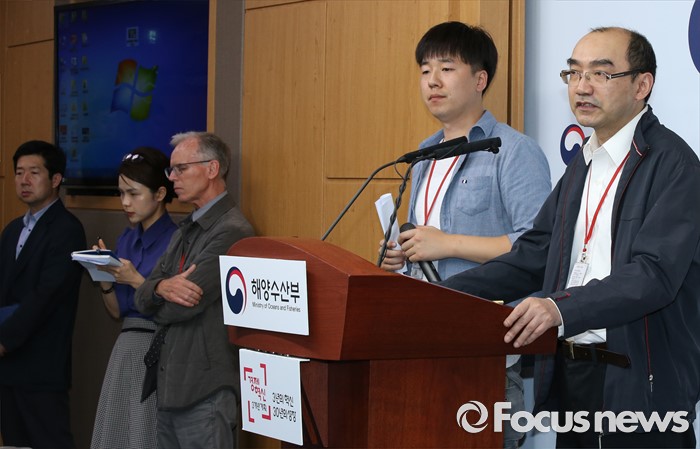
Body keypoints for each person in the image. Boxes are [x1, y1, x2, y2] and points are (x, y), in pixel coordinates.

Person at [441, 27, 700, 448]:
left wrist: (558, 307)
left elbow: (652, 275)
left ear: (642, 85)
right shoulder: (584, 162)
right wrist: (442, 293)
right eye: (574, 73)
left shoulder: (675, 165)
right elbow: (535, 254)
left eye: (600, 74)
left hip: (640, 384)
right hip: (573, 375)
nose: (582, 86)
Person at [379, 22, 551, 449]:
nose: (432, 81)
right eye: (424, 70)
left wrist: (448, 243)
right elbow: (425, 242)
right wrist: (402, 254)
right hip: (424, 341)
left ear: (479, 79)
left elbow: (539, 247)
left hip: (485, 352)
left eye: (446, 68)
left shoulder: (513, 150)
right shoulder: (423, 156)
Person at [134, 131, 255, 448]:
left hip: (205, 390)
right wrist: (161, 287)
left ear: (212, 169)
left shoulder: (232, 231)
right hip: (172, 384)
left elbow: (182, 306)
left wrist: (157, 294)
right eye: (171, 170)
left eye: (181, 168)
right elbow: (141, 298)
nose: (172, 177)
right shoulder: (186, 228)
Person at [0, 140, 86, 448]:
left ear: (56, 179)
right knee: (14, 444)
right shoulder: (12, 230)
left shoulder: (67, 229)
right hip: (7, 368)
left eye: (34, 172)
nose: (24, 180)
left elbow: (46, 296)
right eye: (19, 172)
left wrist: (4, 340)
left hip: (42, 366)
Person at [90, 147, 178, 448]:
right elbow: (117, 311)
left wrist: (134, 278)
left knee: (145, 434)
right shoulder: (127, 238)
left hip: (157, 348)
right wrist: (103, 277)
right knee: (117, 433)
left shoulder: (176, 240)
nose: (125, 202)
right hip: (125, 346)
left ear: (160, 193)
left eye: (134, 193)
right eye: (121, 193)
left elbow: (176, 307)